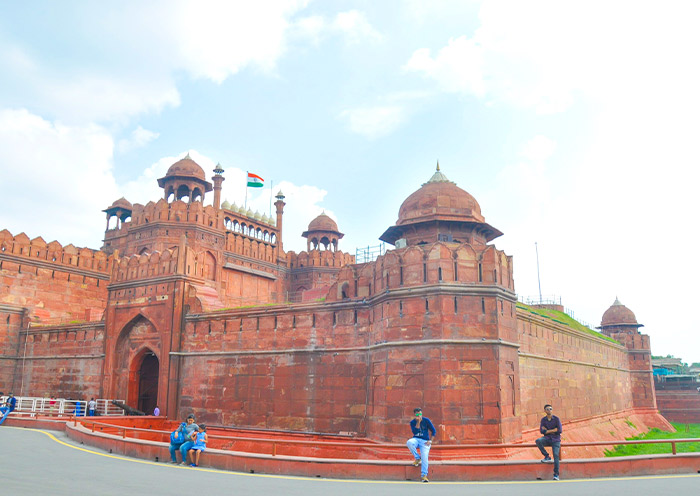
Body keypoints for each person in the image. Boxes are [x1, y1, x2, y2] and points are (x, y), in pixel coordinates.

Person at [406, 407, 436, 483]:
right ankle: (417, 458)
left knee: (425, 457)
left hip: (425, 441)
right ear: (415, 414)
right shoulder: (413, 422)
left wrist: (430, 441)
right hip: (416, 439)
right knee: (409, 442)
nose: (419, 415)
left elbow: (433, 431)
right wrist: (418, 422)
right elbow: (415, 432)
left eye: (420, 413)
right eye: (417, 414)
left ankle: (424, 475)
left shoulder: (426, 420)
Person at [536, 404, 563, 481]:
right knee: (538, 441)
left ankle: (556, 475)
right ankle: (547, 456)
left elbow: (559, 430)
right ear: (545, 411)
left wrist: (547, 431)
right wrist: (553, 430)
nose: (549, 410)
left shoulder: (556, 419)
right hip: (547, 438)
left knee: (556, 455)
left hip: (556, 439)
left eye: (550, 409)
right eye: (547, 409)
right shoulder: (543, 420)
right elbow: (542, 431)